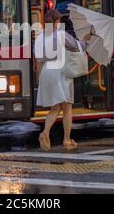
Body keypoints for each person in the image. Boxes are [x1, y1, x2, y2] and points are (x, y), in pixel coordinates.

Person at [35, 10, 91, 152]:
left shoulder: (40, 37)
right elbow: (78, 47)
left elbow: (38, 61)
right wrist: (86, 39)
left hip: (46, 72)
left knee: (55, 107)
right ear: (56, 22)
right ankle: (67, 140)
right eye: (59, 21)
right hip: (60, 71)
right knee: (67, 107)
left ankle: (45, 132)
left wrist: (39, 79)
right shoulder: (61, 35)